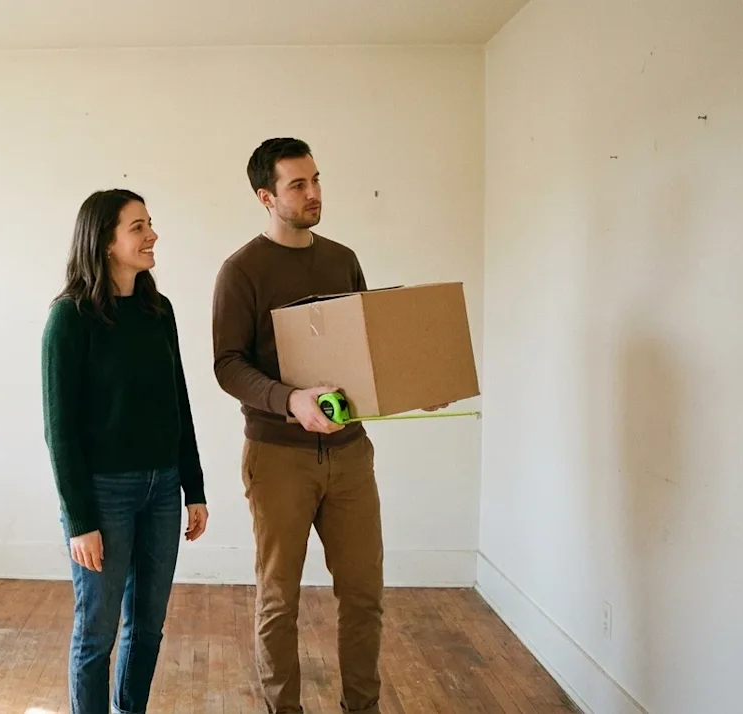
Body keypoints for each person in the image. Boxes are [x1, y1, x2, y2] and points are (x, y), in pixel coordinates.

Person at [211, 138, 445, 714]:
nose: (314, 193)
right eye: (298, 185)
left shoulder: (342, 258)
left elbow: (366, 349)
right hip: (278, 458)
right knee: (278, 600)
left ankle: (360, 707)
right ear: (266, 196)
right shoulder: (241, 271)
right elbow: (227, 365)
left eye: (316, 179)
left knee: (364, 595)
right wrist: (290, 401)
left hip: (350, 454)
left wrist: (415, 386)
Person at [41, 188, 210, 714]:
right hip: (103, 495)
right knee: (96, 633)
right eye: (137, 226)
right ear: (104, 241)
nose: (151, 234)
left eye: (149, 223)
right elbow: (59, 431)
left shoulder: (159, 311)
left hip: (162, 489)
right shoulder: (69, 318)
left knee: (148, 628)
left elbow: (178, 403)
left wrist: (194, 488)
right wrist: (79, 520)